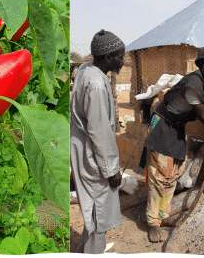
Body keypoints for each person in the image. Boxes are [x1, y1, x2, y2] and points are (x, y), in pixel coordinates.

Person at [142, 46, 204, 243]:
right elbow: (202, 116)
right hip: (162, 123)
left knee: (173, 172)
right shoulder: (194, 83)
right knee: (159, 174)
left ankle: (163, 214)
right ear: (201, 64)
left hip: (175, 126)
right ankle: (152, 222)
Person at [70, 29, 126, 254]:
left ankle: (84, 249)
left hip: (87, 150)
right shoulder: (95, 84)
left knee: (93, 209)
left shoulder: (87, 70)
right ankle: (93, 251)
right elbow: (99, 131)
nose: (122, 61)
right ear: (108, 57)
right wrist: (112, 170)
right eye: (120, 57)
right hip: (92, 155)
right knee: (98, 212)